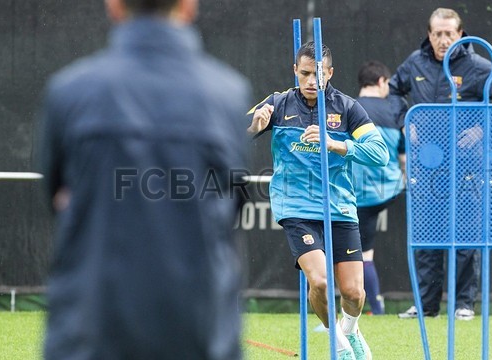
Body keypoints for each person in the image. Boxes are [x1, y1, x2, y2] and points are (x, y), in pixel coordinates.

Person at [38, 0, 251, 359]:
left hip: (91, 334)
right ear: (188, 7)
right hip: (198, 335)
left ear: (114, 6)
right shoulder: (228, 95)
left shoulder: (69, 91)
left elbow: (56, 198)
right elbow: (232, 207)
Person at [247, 41, 388, 360]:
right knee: (321, 282)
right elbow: (233, 134)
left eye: (319, 74)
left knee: (354, 293)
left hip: (339, 206)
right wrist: (254, 126)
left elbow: (379, 154)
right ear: (295, 71)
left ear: (331, 73)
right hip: (296, 207)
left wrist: (335, 145)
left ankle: (350, 330)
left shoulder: (348, 107)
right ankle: (338, 346)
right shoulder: (278, 104)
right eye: (306, 73)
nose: (312, 81)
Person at [393, 7, 492, 321]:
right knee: (426, 237)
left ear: (460, 35)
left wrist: (482, 129)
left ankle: (463, 305)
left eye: (448, 34)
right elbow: (392, 92)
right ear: (429, 34)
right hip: (426, 168)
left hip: (467, 168)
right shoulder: (414, 62)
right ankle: (426, 306)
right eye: (437, 33)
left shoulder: (479, 66)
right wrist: (404, 121)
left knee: (466, 236)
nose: (443, 40)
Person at [352, 60, 406, 315]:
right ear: (382, 82)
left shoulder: (347, 108)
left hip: (357, 196)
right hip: (391, 191)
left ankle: (371, 308)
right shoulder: (395, 109)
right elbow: (404, 158)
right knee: (363, 254)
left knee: (355, 255)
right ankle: (375, 307)